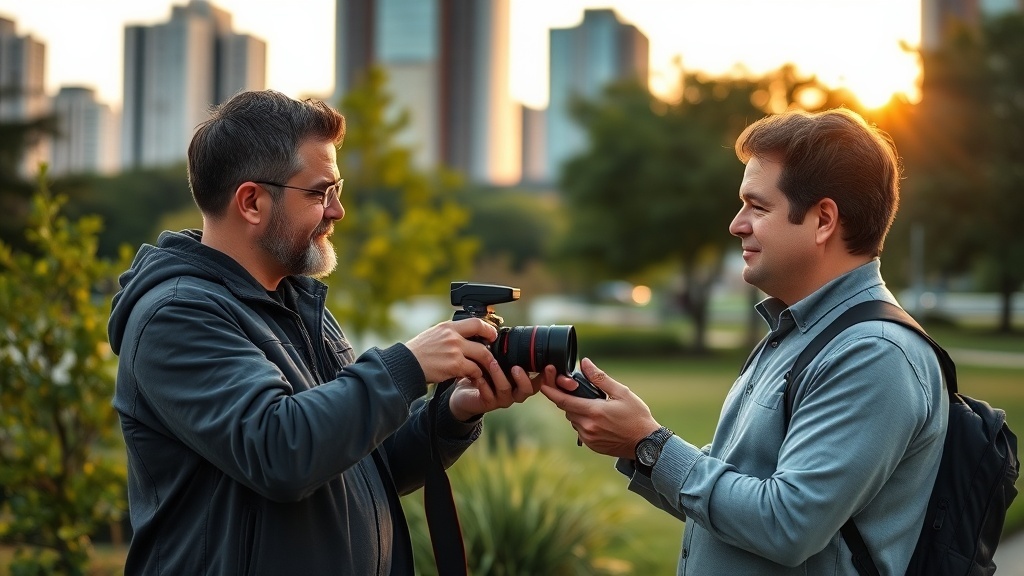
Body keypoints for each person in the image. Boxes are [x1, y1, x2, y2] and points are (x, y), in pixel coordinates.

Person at [107, 90, 545, 575]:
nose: (337, 211)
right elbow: (280, 450)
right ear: (251, 202)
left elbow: (361, 465)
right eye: (319, 193)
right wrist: (408, 365)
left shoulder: (298, 303)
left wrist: (453, 412)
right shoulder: (176, 315)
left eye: (338, 190)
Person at [542, 108, 948, 575]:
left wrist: (651, 445)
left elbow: (786, 525)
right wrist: (637, 446)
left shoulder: (874, 354)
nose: (737, 224)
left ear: (823, 220)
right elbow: (732, 505)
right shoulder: (797, 334)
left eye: (757, 207)